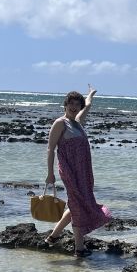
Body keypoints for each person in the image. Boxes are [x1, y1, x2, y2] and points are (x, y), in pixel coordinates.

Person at [44, 85, 111, 255]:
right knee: (77, 205)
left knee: (77, 204)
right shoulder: (60, 123)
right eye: (71, 104)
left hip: (84, 172)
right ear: (65, 105)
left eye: (77, 104)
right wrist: (50, 174)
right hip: (69, 171)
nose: (74, 107)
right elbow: (51, 149)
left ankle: (52, 238)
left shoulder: (79, 123)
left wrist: (90, 95)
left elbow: (87, 105)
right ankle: (79, 249)